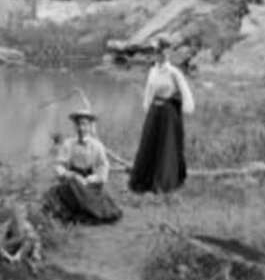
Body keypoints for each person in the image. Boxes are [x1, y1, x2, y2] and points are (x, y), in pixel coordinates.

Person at [129, 35, 195, 194]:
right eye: (156, 52)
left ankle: (164, 182)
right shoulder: (153, 70)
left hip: (168, 112)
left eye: (162, 52)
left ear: (167, 53)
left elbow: (185, 91)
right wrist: (146, 105)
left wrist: (187, 106)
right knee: (149, 143)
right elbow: (149, 90)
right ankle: (145, 179)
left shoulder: (174, 72)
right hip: (155, 110)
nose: (159, 55)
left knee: (167, 146)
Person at [43, 109, 122, 225]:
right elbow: (59, 164)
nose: (81, 128)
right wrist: (67, 174)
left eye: (84, 124)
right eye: (78, 124)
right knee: (56, 194)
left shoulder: (97, 145)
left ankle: (88, 212)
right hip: (72, 180)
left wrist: (94, 178)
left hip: (90, 181)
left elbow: (103, 166)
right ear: (75, 127)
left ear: (90, 127)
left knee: (103, 206)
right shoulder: (68, 143)